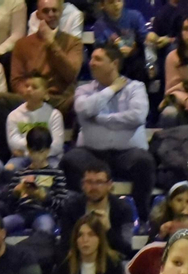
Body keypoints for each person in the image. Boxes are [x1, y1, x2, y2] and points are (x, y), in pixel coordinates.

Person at [65, 45, 154, 215]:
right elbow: (83, 110)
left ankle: (142, 217)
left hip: (127, 154)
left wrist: (100, 119)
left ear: (114, 63)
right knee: (70, 160)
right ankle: (77, 214)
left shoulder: (135, 87)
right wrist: (111, 90)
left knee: (145, 161)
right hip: (92, 154)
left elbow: (137, 117)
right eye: (91, 58)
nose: (91, 63)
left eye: (98, 59)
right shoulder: (84, 89)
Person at [10, 0, 84, 112]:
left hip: (59, 99)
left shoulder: (74, 42)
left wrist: (52, 43)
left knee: (80, 102)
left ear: (61, 12)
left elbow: (71, 75)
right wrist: (33, 93)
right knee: (0, 99)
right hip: (29, 97)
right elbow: (16, 80)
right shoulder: (22, 44)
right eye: (45, 11)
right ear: (38, 14)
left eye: (54, 10)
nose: (51, 15)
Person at [58, 162, 136, 261]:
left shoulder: (123, 209)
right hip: (80, 260)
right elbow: (65, 245)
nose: (94, 187)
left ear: (109, 185)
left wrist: (108, 230)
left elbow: (126, 250)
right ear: (83, 185)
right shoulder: (71, 207)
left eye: (99, 182)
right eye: (89, 182)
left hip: (112, 262)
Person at [0, 124, 64, 236]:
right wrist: (17, 192)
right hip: (21, 213)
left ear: (48, 150)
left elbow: (62, 206)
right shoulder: (20, 173)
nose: (37, 156)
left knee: (45, 229)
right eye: (33, 152)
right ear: (28, 149)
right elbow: (9, 205)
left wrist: (44, 197)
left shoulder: (56, 174)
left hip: (44, 213)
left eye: (41, 152)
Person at [47, 213, 125, 274]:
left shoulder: (113, 265)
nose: (85, 240)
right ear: (75, 240)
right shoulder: (63, 266)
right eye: (80, 235)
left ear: (100, 239)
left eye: (91, 234)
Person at [5, 73, 63, 172]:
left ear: (45, 94)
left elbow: (57, 145)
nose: (28, 90)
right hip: (22, 158)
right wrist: (35, 150)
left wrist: (30, 152)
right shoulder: (14, 115)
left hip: (48, 156)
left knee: (55, 169)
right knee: (9, 170)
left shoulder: (54, 115)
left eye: (34, 87)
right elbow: (13, 143)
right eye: (27, 86)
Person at [91, 0, 151, 83]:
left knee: (139, 65)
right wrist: (116, 51)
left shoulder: (135, 16)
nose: (116, 5)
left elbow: (145, 39)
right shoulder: (100, 25)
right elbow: (101, 48)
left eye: (119, 0)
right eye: (111, 2)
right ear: (102, 5)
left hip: (135, 59)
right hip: (114, 59)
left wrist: (133, 49)